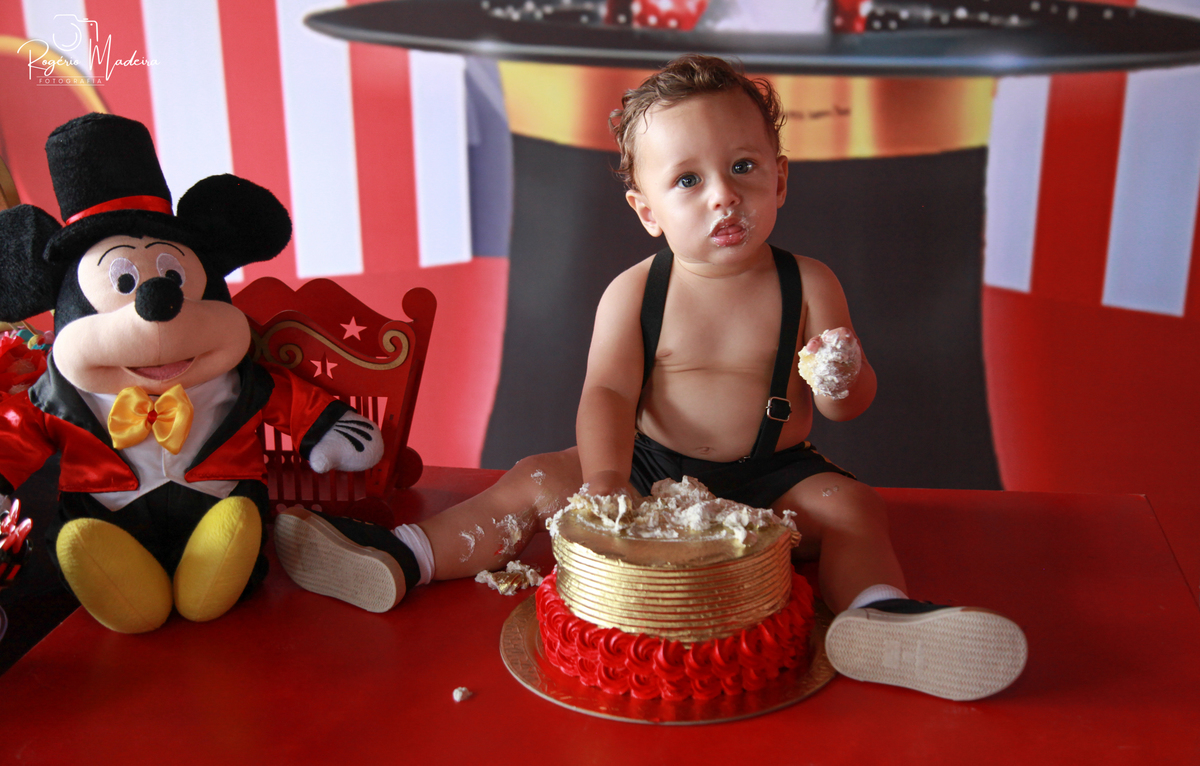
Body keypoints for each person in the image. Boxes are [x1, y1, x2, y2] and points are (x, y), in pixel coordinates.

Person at [274, 53, 1027, 701]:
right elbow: (606, 393)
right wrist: (606, 480)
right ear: (647, 211)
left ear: (780, 179)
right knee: (534, 479)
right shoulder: (636, 292)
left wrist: (839, 377)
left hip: (773, 477)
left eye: (743, 168)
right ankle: (404, 554)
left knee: (855, 507)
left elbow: (847, 406)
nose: (723, 195)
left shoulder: (810, 283)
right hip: (648, 466)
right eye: (688, 180)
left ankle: (878, 618)